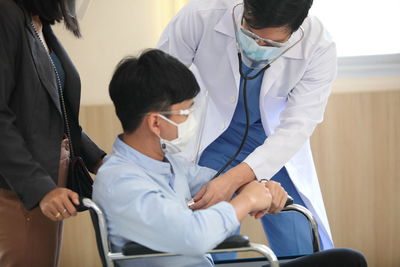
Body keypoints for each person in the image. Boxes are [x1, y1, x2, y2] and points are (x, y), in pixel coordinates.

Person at [93, 49, 367, 267]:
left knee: (344, 259)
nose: (191, 119)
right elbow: (193, 236)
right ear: (155, 123)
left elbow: (216, 183)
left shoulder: (167, 163)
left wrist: (259, 188)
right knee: (347, 261)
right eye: (185, 112)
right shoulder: (120, 180)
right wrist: (247, 201)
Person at [157, 0, 336, 257]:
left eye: (272, 44)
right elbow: (157, 81)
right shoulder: (201, 15)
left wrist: (233, 180)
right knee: (214, 238)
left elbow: (298, 126)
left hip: (274, 146)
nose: (258, 47)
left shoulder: (319, 45)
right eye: (250, 33)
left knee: (299, 243)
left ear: (295, 30)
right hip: (216, 139)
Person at [0, 0, 105, 266]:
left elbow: (59, 114)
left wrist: (100, 160)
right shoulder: (6, 14)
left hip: (48, 175)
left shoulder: (38, 23)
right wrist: (41, 189)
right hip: (18, 185)